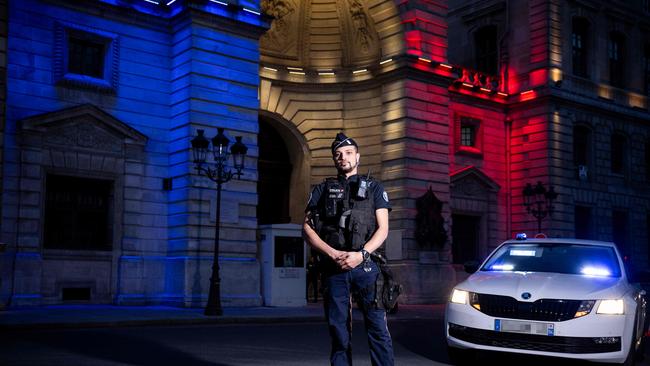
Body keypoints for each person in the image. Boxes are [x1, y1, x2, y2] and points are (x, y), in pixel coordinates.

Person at [303, 132, 394, 366]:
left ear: (358, 156)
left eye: (348, 153)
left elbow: (383, 229)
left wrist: (360, 255)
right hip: (334, 269)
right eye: (338, 154)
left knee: (378, 331)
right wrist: (333, 254)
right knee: (339, 333)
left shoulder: (374, 188)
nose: (343, 157)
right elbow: (307, 229)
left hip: (367, 267)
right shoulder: (321, 190)